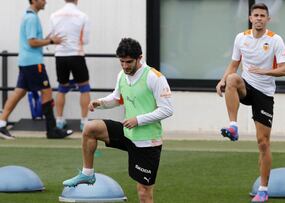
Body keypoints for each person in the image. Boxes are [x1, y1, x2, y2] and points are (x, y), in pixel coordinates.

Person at [63, 38, 173, 203]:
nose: (125, 66)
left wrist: (138, 120)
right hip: (127, 132)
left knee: (144, 193)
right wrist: (100, 103)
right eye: (122, 62)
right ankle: (87, 174)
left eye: (129, 62)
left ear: (139, 58)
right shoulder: (122, 75)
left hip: (147, 142)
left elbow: (167, 109)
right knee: (90, 128)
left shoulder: (154, 77)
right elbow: (117, 98)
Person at [215, 3, 285, 203]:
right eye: (255, 15)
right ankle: (233, 126)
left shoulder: (275, 40)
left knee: (263, 143)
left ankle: (263, 190)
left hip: (264, 93)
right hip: (246, 86)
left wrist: (265, 71)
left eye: (262, 16)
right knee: (232, 79)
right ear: (250, 18)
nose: (258, 18)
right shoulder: (241, 38)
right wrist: (222, 80)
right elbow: (234, 64)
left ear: (268, 19)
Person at [0, 0, 73, 139]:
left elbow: (34, 41)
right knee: (46, 91)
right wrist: (51, 41)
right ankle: (52, 130)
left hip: (26, 62)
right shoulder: (32, 18)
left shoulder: (30, 16)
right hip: (33, 63)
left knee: (19, 92)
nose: (45, 1)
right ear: (34, 0)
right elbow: (32, 42)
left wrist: (46, 39)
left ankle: (1, 123)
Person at [49, 0, 91, 131]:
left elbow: (51, 36)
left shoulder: (54, 15)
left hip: (60, 55)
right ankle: (84, 121)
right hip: (76, 54)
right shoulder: (83, 16)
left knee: (62, 88)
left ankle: (59, 120)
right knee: (84, 88)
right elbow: (85, 40)